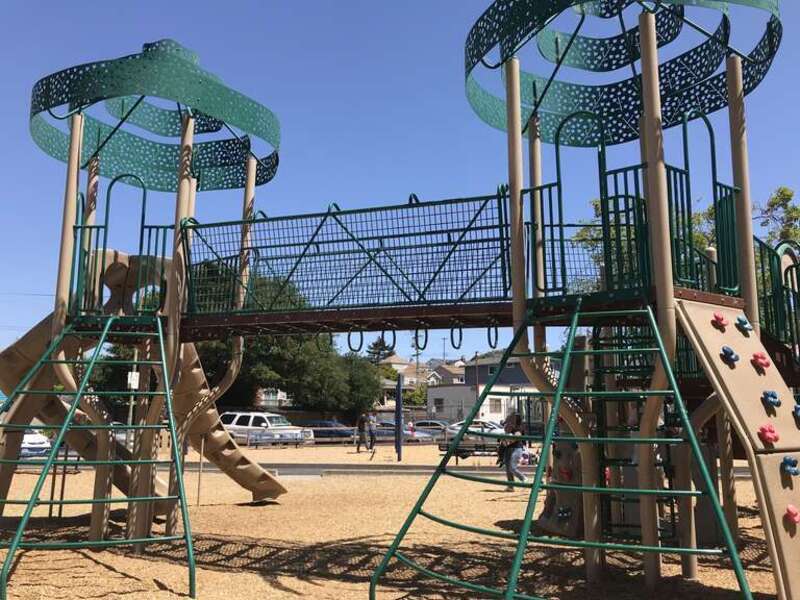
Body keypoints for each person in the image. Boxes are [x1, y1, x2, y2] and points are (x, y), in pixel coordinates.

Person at [501, 413, 527, 491]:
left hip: (516, 448)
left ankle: (523, 478)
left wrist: (506, 441)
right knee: (508, 468)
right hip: (508, 449)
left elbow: (517, 436)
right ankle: (511, 486)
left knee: (512, 467)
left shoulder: (519, 428)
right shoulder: (508, 426)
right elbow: (506, 433)